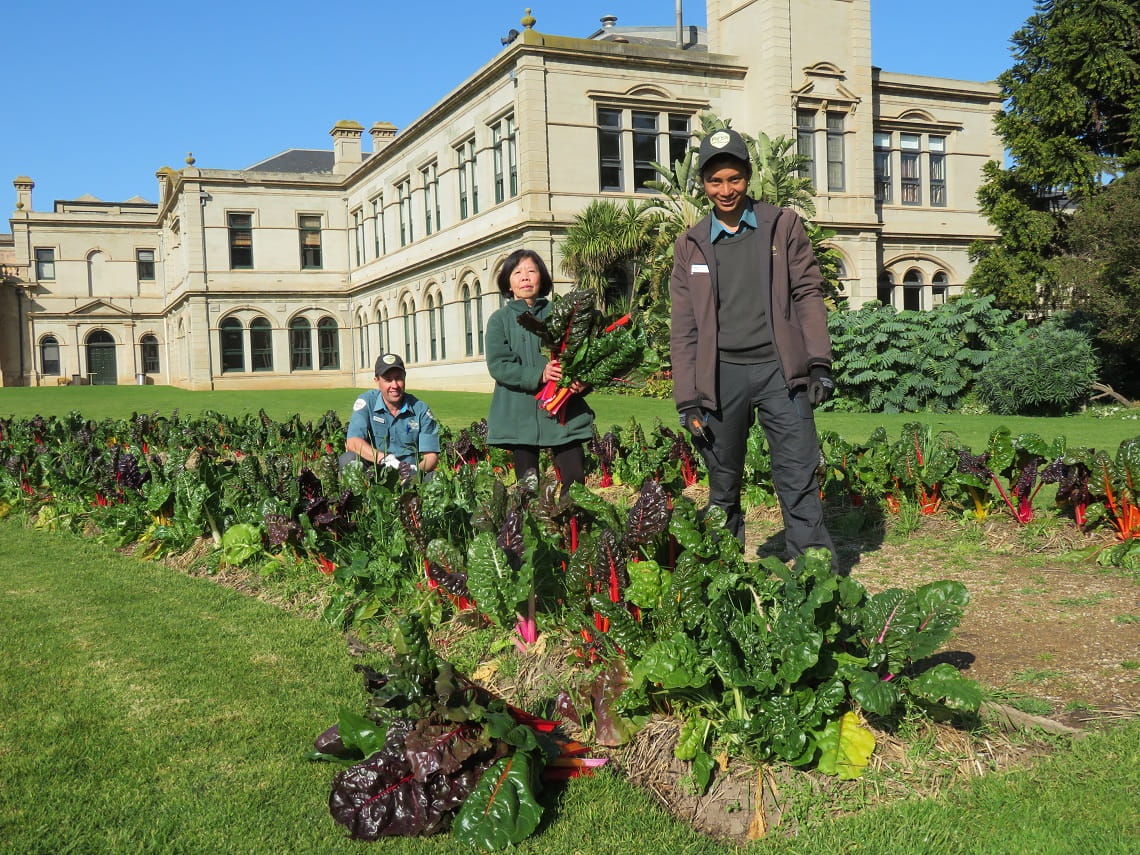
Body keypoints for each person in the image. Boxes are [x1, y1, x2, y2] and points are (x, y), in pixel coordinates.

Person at [670, 126, 838, 567]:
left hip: (780, 373)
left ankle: (815, 574)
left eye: (734, 178)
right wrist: (688, 399)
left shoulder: (782, 226)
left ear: (748, 175)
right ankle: (723, 574)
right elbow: (684, 327)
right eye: (715, 181)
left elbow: (807, 293)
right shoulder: (690, 245)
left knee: (798, 475)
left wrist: (818, 362)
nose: (726, 190)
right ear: (703, 184)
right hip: (721, 378)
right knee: (722, 481)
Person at [485, 249, 593, 492]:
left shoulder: (563, 313)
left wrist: (582, 381)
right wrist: (539, 375)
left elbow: (583, 355)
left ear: (541, 278)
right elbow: (499, 365)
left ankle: (571, 517)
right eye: (517, 272)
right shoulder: (499, 320)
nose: (525, 277)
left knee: (575, 480)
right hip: (519, 415)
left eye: (531, 271)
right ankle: (530, 518)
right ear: (508, 283)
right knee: (528, 486)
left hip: (563, 413)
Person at [342, 353, 439, 478]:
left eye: (398, 378)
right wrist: (385, 459)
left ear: (404, 377)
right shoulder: (367, 403)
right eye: (388, 380)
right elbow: (353, 442)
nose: (395, 385)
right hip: (374, 475)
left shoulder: (420, 409)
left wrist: (415, 470)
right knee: (348, 459)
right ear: (377, 380)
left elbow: (431, 456)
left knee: (435, 478)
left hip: (408, 477)